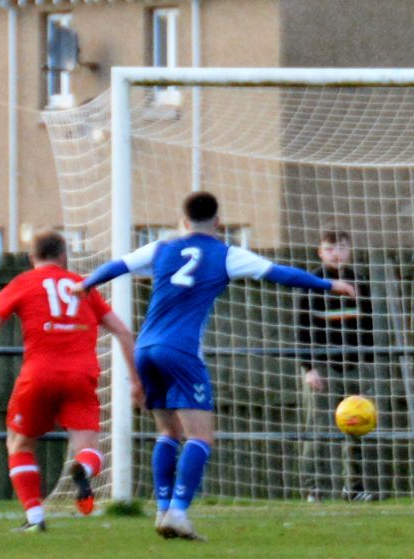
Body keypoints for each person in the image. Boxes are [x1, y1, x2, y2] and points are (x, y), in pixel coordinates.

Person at [76, 191, 356, 540]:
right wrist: (329, 283)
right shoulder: (225, 254)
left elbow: (117, 266)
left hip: (145, 348)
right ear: (218, 223)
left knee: (168, 433)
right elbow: (279, 273)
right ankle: (178, 512)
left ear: (184, 221)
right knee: (201, 436)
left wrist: (86, 283)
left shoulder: (162, 248)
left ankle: (163, 510)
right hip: (180, 351)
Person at [0, 230, 141, 532]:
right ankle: (83, 468)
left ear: (32, 258)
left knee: (19, 444)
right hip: (81, 376)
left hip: (38, 375)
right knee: (89, 448)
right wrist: (136, 381)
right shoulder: (84, 286)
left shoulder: (22, 283)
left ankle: (35, 517)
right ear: (63, 256)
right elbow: (123, 332)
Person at [297, 229, 375, 502]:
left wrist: (367, 364)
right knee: (317, 427)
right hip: (323, 366)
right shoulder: (311, 283)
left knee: (356, 425)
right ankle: (313, 488)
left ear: (350, 251)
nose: (336, 254)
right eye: (330, 249)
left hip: (353, 365)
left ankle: (353, 487)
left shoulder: (360, 281)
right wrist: (309, 368)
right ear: (320, 252)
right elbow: (302, 329)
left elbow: (368, 326)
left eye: (341, 248)